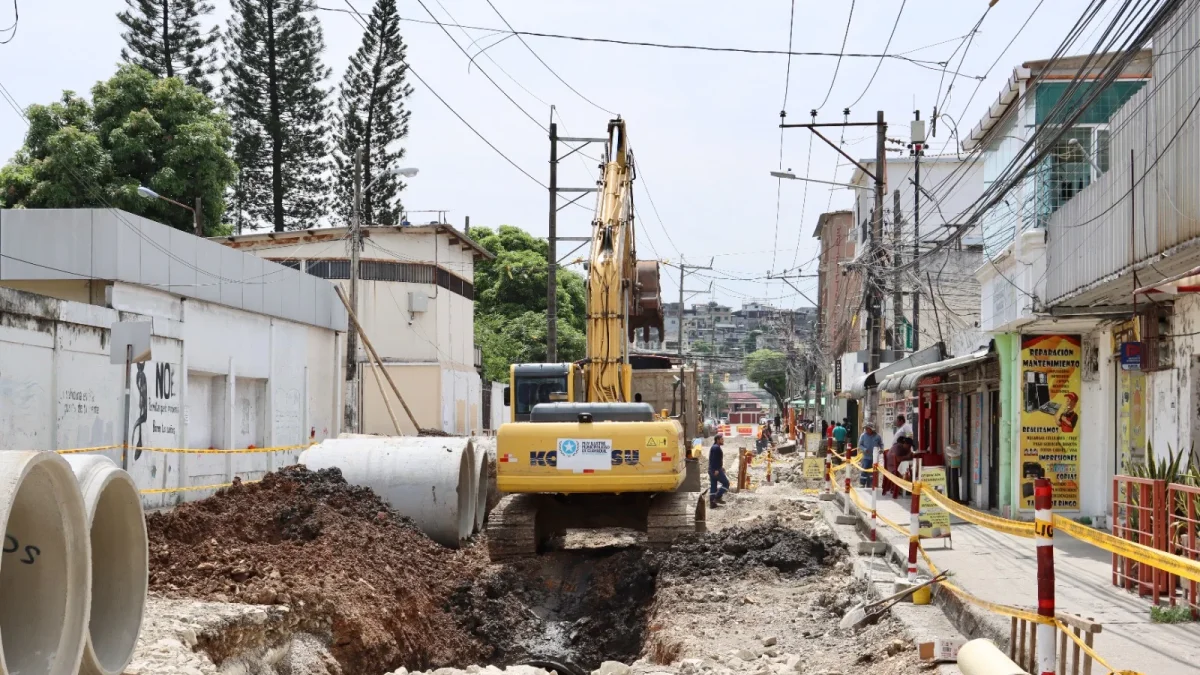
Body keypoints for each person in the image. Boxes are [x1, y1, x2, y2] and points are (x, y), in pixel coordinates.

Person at [857, 423, 883, 487]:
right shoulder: (863, 436)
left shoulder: (877, 436)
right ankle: (862, 483)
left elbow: (881, 444)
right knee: (864, 470)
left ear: (871, 429)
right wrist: (864, 449)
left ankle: (871, 484)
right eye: (866, 428)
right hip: (866, 457)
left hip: (874, 458)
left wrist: (881, 449)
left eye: (867, 429)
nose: (866, 430)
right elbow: (860, 445)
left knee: (872, 471)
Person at [709, 434, 729, 508]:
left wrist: (720, 467)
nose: (723, 441)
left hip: (711, 470)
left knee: (713, 486)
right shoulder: (716, 448)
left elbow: (715, 459)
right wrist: (717, 469)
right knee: (726, 483)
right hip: (715, 470)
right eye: (722, 439)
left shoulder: (714, 447)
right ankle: (717, 497)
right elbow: (714, 460)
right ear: (717, 440)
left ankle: (712, 504)